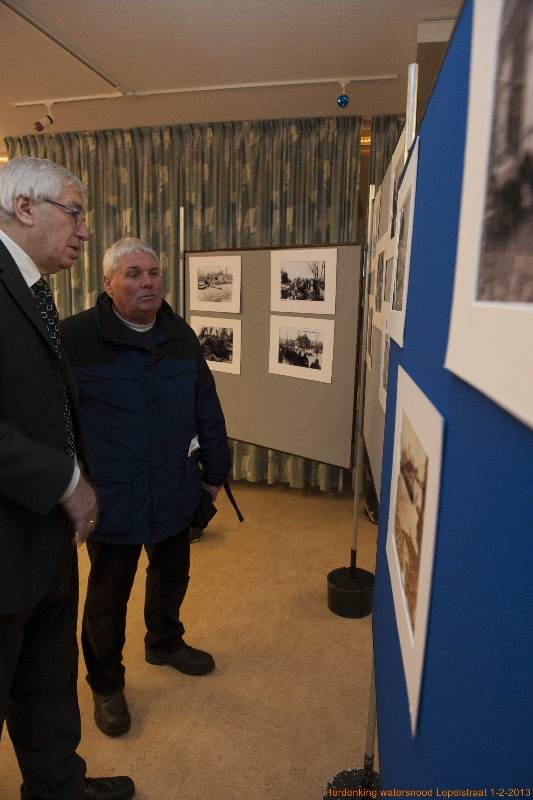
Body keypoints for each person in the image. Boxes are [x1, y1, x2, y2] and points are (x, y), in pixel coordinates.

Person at [0, 157, 135, 800]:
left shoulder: (34, 290)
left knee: (48, 684)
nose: (86, 230)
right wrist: (65, 480)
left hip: (46, 538)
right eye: (75, 212)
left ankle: (60, 789)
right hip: (4, 542)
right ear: (25, 208)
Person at [60, 237, 232, 738]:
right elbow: (55, 420)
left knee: (172, 574)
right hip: (113, 497)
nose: (147, 282)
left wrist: (216, 473)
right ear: (108, 283)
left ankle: (164, 641)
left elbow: (208, 408)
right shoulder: (74, 339)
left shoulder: (180, 335)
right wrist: (71, 485)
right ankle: (106, 683)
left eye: (153, 272)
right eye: (133, 274)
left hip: (175, 488)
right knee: (108, 597)